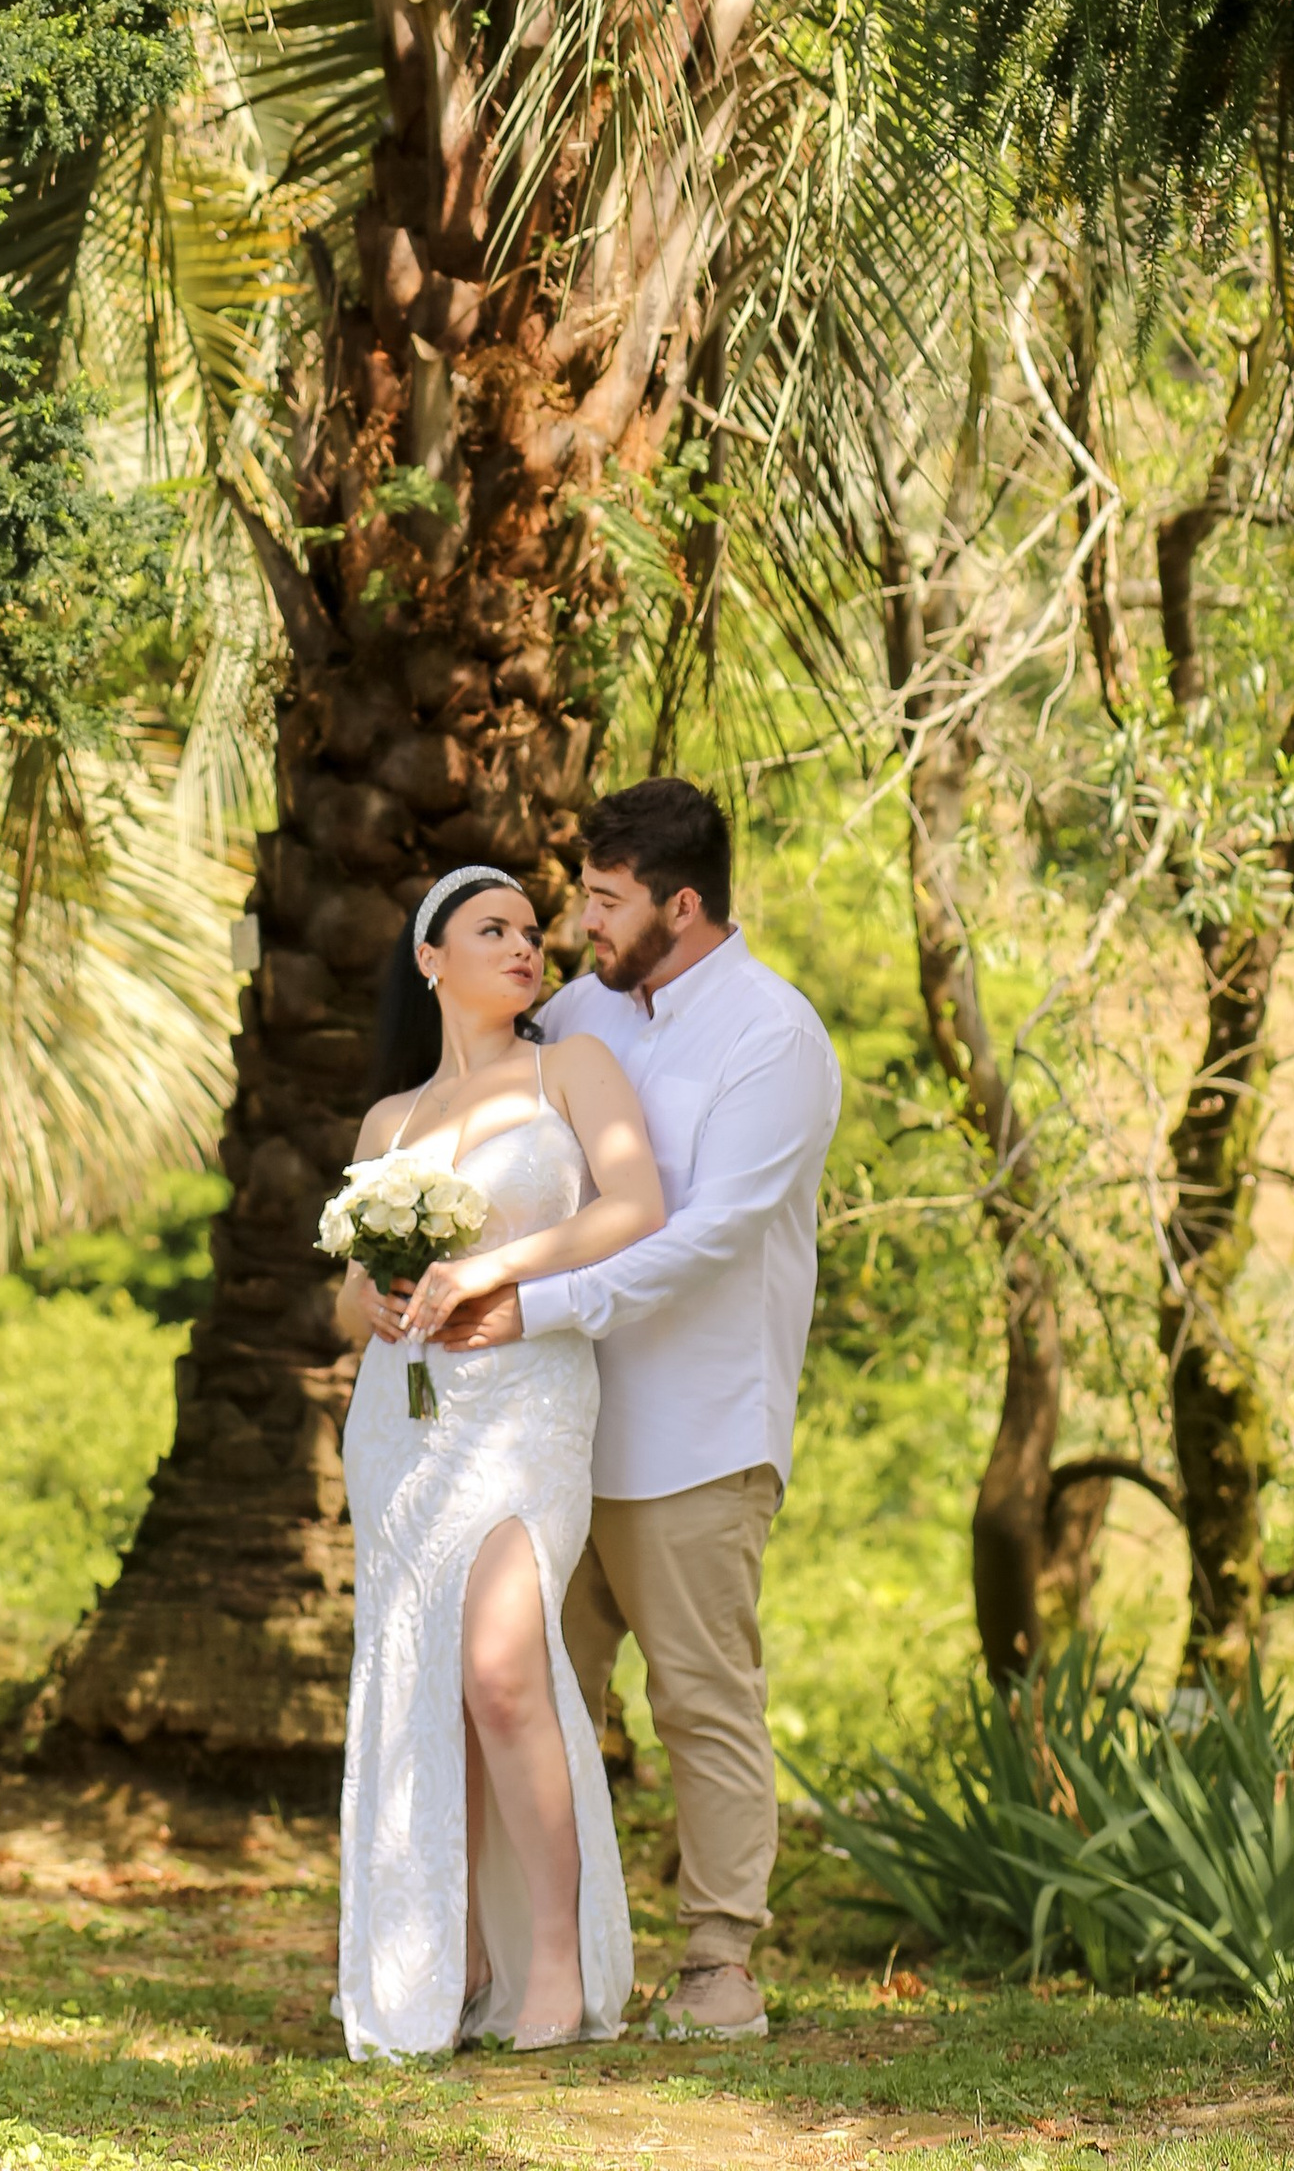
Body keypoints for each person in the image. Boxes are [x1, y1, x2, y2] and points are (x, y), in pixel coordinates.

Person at [427, 777, 840, 2044]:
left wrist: (531, 1309)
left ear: (684, 903)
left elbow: (707, 1239)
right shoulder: (580, 1012)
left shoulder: (775, 1040)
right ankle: (522, 1968)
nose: (578, 922)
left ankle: (720, 1964)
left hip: (696, 1432)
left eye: (605, 900)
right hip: (549, 1426)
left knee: (700, 1696)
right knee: (531, 1692)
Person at [331, 862, 664, 2060]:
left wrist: (489, 1269)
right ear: (431, 959)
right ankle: (452, 1956)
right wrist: (372, 1303)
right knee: (428, 1681)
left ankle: (557, 1968)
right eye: (493, 930)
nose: (526, 947)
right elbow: (342, 1307)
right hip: (402, 1428)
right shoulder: (389, 1124)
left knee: (501, 1671)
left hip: (526, 1404)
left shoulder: (567, 1068)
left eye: (532, 931)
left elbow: (635, 1206)